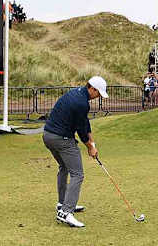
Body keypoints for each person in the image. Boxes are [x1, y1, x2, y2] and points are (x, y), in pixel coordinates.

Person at [43, 76, 108, 227]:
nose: (98, 97)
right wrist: (90, 148)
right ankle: (66, 212)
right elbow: (81, 131)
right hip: (62, 139)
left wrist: (93, 143)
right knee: (78, 174)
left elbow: (84, 123)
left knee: (64, 167)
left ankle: (63, 204)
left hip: (48, 136)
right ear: (92, 89)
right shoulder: (81, 103)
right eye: (98, 93)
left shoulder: (77, 94)